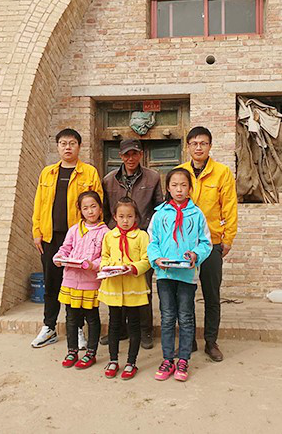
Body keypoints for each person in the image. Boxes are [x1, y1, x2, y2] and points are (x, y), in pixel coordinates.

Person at [31, 128, 103, 348]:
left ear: (79, 146)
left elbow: (98, 204)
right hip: (50, 237)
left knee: (77, 286)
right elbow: (38, 203)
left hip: (78, 239)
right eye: (63, 143)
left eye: (72, 143)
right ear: (58, 147)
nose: (67, 147)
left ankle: (77, 329)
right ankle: (49, 327)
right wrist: (36, 232)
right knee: (52, 283)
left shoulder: (89, 172)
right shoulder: (47, 173)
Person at [177, 126, 238, 362]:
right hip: (185, 245)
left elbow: (229, 206)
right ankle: (189, 340)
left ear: (210, 146)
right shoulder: (181, 172)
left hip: (212, 243)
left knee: (212, 295)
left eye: (203, 143)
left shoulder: (222, 173)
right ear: (188, 147)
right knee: (185, 294)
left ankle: (211, 342)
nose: (199, 147)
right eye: (194, 143)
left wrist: (228, 238)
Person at [148, 168, 211, 382]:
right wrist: (156, 258)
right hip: (165, 274)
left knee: (185, 317)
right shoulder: (159, 214)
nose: (179, 189)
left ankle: (183, 359)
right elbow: (152, 241)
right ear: (168, 187)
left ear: (190, 188)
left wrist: (195, 255)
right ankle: (168, 359)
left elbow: (206, 242)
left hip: (187, 275)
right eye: (174, 185)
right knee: (167, 317)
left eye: (183, 185)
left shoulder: (197, 214)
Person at [101, 139, 163, 349]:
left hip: (141, 238)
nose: (131, 158)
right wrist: (112, 231)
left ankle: (145, 331)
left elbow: (158, 208)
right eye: (126, 154)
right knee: (118, 284)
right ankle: (119, 330)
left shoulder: (153, 177)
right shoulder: (109, 180)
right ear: (120, 156)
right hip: (117, 238)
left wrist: (149, 233)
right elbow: (105, 210)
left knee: (142, 287)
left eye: (134, 153)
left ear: (141, 154)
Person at [53, 191, 109, 369]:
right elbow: (65, 248)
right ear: (80, 210)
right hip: (70, 280)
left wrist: (93, 265)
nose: (90, 211)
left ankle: (91, 353)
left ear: (100, 208)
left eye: (93, 206)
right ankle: (72, 351)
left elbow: (105, 257)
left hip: (90, 282)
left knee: (91, 317)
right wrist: (59, 257)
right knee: (71, 317)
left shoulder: (106, 233)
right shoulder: (74, 230)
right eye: (85, 208)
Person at [98, 197, 151, 380]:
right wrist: (106, 267)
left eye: (129, 216)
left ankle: (131, 362)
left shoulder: (142, 236)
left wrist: (134, 268)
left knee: (134, 324)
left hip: (133, 287)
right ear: (115, 217)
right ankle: (113, 360)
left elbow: (147, 259)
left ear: (136, 217)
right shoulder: (109, 236)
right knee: (114, 324)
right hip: (113, 286)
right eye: (121, 216)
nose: (125, 220)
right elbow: (104, 256)